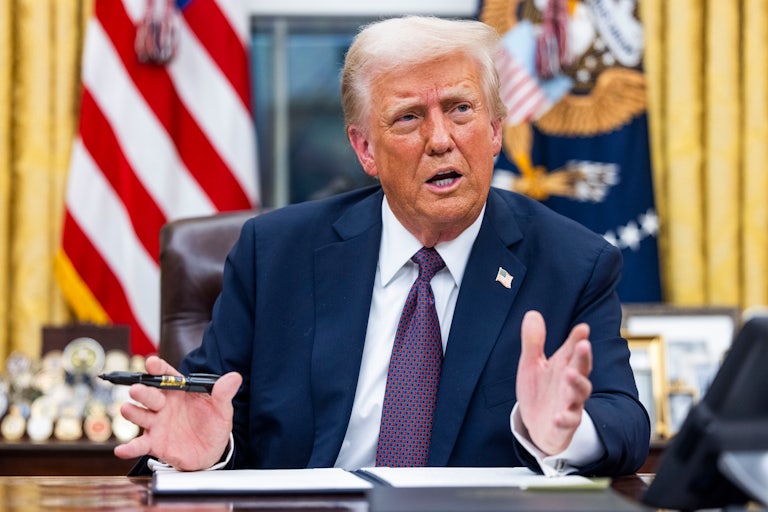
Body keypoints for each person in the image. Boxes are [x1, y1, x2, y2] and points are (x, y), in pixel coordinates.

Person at [115, 15, 650, 476]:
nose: (441, 139)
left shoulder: (571, 263)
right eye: (409, 117)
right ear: (365, 148)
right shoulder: (274, 254)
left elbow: (626, 423)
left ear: (494, 130)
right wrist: (210, 455)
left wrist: (563, 431)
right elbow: (209, 417)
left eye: (461, 109)